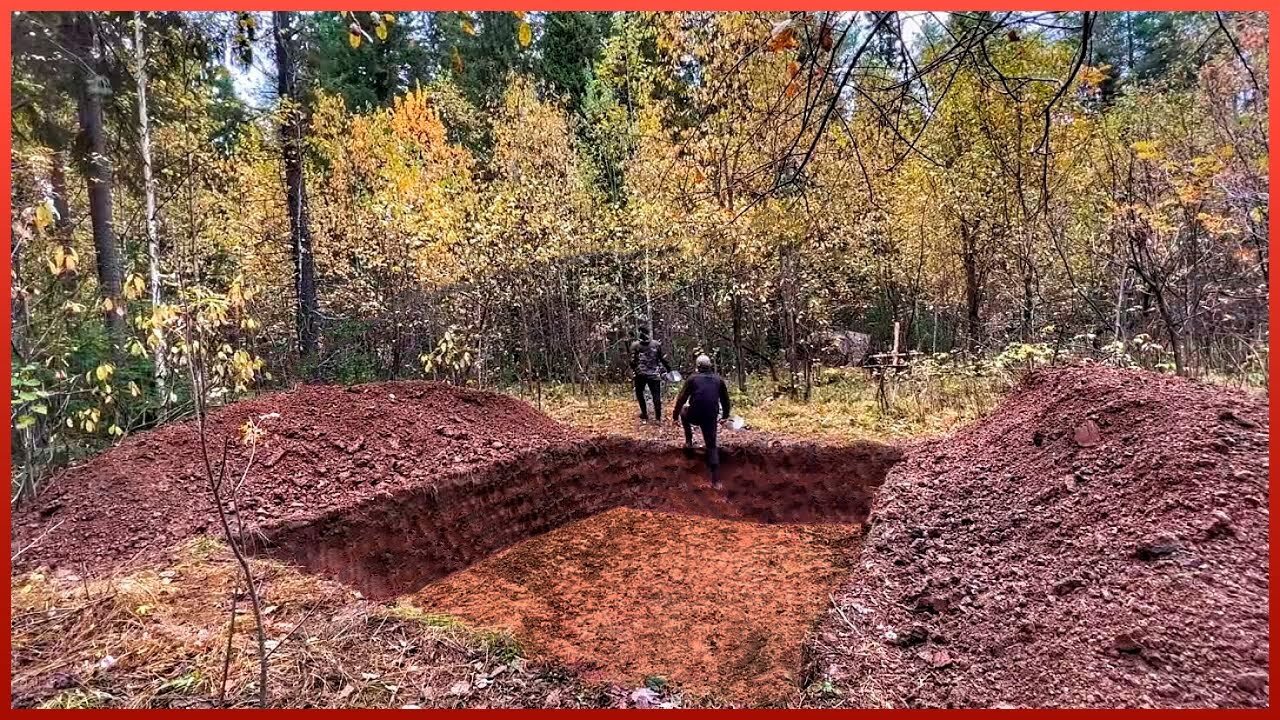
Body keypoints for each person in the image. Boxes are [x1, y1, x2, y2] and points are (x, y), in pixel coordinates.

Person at [672, 354, 732, 489]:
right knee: (711, 445)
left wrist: (675, 416)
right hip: (710, 417)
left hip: (695, 415)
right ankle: (716, 481)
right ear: (710, 366)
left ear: (697, 367)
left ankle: (688, 442)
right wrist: (725, 416)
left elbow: (681, 399)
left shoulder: (692, 379)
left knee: (683, 412)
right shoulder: (718, 379)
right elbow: (725, 401)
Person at [629, 325, 672, 422]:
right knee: (656, 395)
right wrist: (668, 369)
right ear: (648, 333)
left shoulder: (635, 345)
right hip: (654, 374)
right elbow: (662, 359)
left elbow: (632, 361)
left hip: (640, 374)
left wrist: (635, 369)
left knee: (640, 393)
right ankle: (658, 417)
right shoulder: (656, 344)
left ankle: (644, 413)